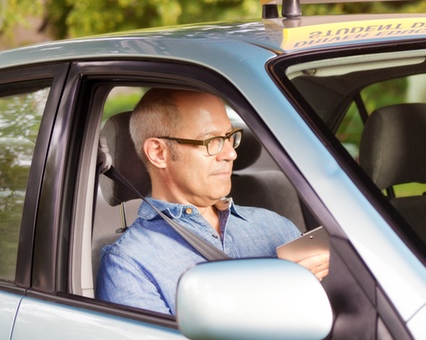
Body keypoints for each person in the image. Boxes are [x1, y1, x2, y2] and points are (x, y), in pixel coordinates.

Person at [97, 88, 328, 315]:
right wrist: (279, 298)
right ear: (158, 152)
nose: (230, 154)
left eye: (229, 137)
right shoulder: (129, 263)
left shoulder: (276, 226)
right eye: (212, 141)